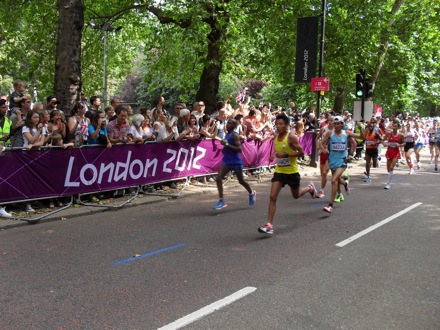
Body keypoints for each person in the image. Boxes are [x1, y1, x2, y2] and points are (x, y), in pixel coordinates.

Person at [258, 114, 317, 235]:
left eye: (281, 124)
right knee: (272, 196)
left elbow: (301, 153)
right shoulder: (275, 137)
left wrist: (286, 155)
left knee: (296, 195)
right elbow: (277, 150)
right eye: (277, 124)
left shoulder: (291, 137)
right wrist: (273, 155)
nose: (278, 126)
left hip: (292, 172)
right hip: (280, 172)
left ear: (287, 125)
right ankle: (269, 225)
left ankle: (310, 188)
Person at [320, 116, 364, 214]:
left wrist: (360, 128)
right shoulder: (329, 134)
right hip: (332, 160)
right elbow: (321, 143)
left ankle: (330, 205)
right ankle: (345, 183)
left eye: (338, 123)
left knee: (334, 180)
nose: (336, 126)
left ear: (342, 124)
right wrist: (323, 149)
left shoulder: (346, 133)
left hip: (342, 160)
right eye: (334, 124)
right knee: (338, 180)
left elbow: (361, 137)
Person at [214, 119, 256, 210]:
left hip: (235, 161)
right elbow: (226, 144)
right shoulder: (227, 134)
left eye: (230, 123)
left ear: (234, 126)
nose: (227, 124)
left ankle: (251, 193)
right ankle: (221, 200)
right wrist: (224, 145)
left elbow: (239, 149)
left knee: (241, 181)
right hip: (226, 161)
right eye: (227, 123)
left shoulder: (235, 135)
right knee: (218, 178)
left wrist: (227, 144)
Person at [315, 114, 334, 198]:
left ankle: (321, 190)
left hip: (331, 154)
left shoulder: (336, 131)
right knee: (322, 174)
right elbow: (317, 138)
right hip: (323, 153)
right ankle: (344, 179)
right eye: (329, 120)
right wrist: (318, 145)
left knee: (324, 172)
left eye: (332, 120)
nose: (330, 122)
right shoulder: (323, 129)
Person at [383, 120, 406, 189]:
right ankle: (390, 177)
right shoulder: (389, 134)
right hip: (389, 151)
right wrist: (384, 143)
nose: (394, 128)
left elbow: (404, 143)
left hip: (396, 152)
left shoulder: (401, 135)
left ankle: (388, 184)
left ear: (398, 127)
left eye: (395, 126)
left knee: (391, 167)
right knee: (388, 169)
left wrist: (399, 145)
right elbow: (383, 140)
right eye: (393, 126)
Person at [363, 118, 383, 182]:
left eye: (372, 127)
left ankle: (377, 160)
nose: (370, 128)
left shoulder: (376, 133)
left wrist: (375, 142)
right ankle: (368, 175)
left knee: (374, 165)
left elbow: (381, 140)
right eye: (369, 127)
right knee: (367, 162)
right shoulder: (366, 132)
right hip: (368, 149)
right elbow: (364, 139)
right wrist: (363, 142)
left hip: (374, 149)